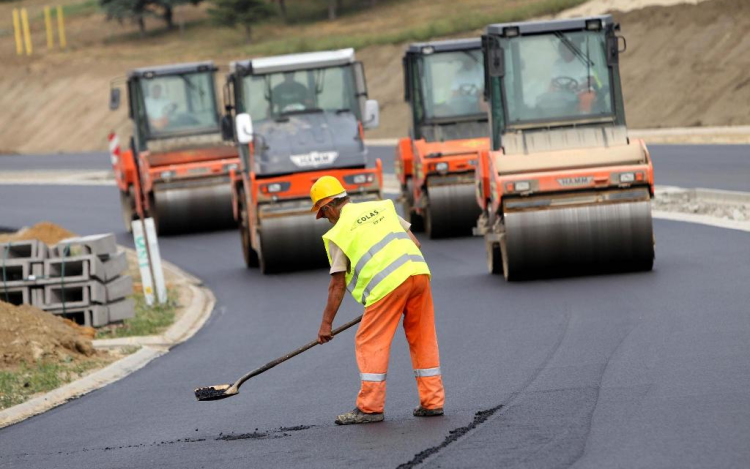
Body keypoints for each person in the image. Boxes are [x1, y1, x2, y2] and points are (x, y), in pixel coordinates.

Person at [310, 176, 445, 425]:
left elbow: (337, 285)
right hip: (418, 273)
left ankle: (370, 408)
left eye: (323, 214)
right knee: (423, 336)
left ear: (328, 207)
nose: (326, 220)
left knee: (369, 341)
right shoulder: (381, 206)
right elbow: (414, 242)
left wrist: (326, 325)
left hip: (388, 286)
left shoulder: (338, 233)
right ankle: (433, 401)